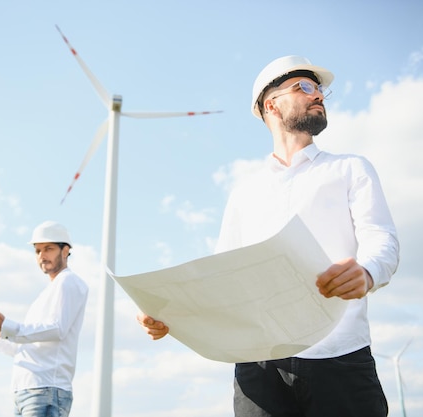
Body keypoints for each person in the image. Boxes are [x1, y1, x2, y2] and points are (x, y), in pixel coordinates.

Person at [137, 55, 399, 417]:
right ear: (271, 104)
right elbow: (220, 279)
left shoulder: (351, 169)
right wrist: (173, 316)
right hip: (258, 366)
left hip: (339, 356)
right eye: (304, 87)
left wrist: (367, 271)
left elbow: (382, 238)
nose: (318, 95)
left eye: (320, 89)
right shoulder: (245, 192)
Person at [0, 221, 89, 417]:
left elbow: (57, 329)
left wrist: (7, 325)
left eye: (48, 249)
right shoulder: (46, 294)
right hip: (26, 391)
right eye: (37, 251)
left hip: (46, 390)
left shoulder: (68, 282)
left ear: (65, 250)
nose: (42, 256)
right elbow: (28, 349)